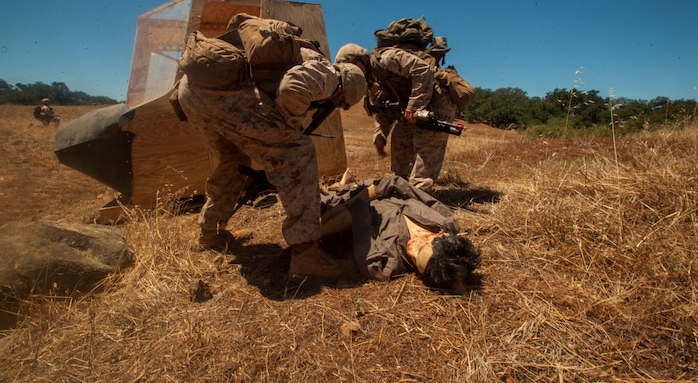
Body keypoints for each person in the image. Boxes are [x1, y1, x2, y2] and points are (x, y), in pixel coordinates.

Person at [177, 41, 367, 279]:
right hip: (222, 92)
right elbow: (293, 88)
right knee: (297, 150)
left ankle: (210, 232)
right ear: (345, 91)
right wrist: (288, 129)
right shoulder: (329, 74)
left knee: (233, 158)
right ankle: (307, 255)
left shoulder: (304, 56)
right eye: (341, 102)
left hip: (192, 90)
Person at [319, 169, 482, 293]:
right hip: (381, 190)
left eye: (416, 262)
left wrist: (361, 194)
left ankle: (342, 187)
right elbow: (403, 186)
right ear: (440, 235)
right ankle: (346, 186)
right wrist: (378, 189)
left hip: (355, 206)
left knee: (323, 205)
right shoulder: (446, 222)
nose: (411, 250)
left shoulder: (382, 265)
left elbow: (358, 215)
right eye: (420, 247)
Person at [335, 38, 455, 192]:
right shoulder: (371, 82)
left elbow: (423, 70)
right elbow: (381, 110)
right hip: (412, 110)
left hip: (438, 103)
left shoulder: (387, 58)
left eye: (352, 68)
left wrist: (414, 106)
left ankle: (421, 196)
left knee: (425, 146)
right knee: (400, 138)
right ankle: (402, 186)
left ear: (362, 59)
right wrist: (380, 135)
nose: (352, 73)